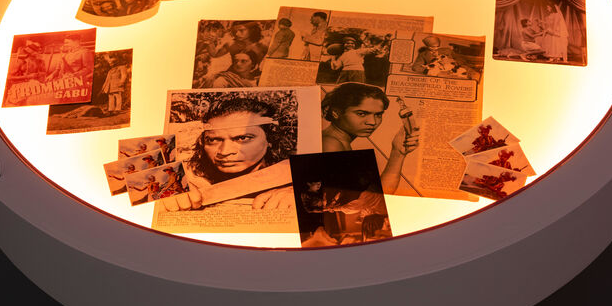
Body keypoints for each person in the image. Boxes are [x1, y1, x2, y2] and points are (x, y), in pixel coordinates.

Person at [159, 97, 294, 211]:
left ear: (270, 138)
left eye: (242, 138)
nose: (224, 152)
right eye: (213, 140)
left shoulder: (296, 172)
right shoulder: (188, 176)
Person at [321, 83, 419, 193]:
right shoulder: (330, 144)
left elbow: (372, 198)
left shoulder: (338, 141)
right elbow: (368, 204)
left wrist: (398, 153)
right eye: (362, 114)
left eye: (378, 115)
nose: (372, 122)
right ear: (336, 113)